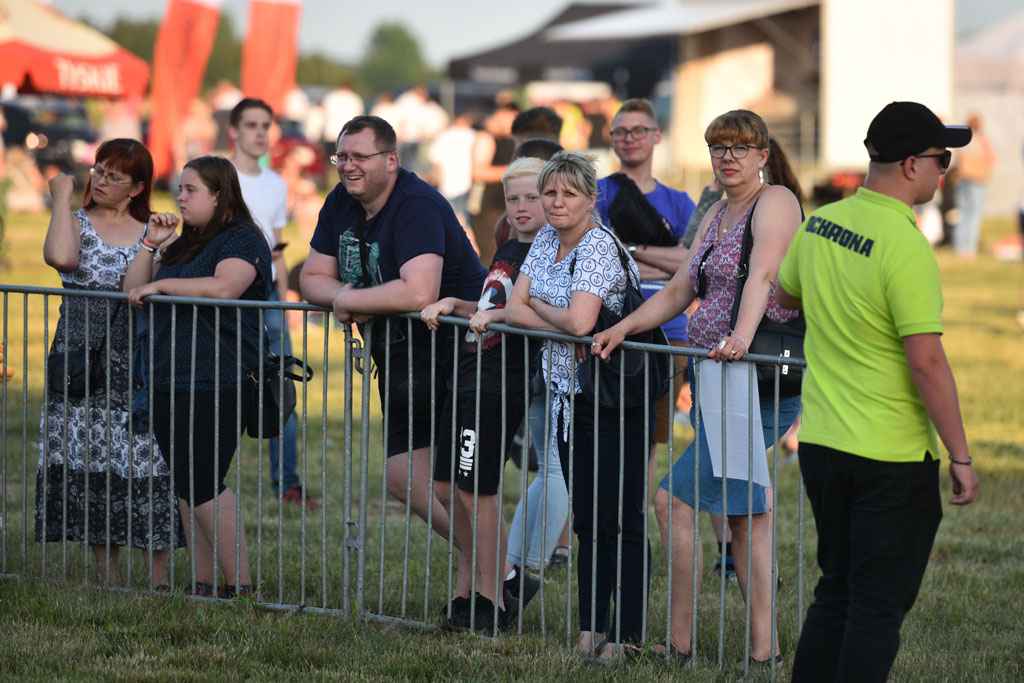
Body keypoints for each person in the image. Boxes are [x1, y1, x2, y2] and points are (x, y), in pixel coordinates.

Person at [592, 110, 804, 666]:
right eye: (718, 147)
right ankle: (764, 651)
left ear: (763, 155)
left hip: (754, 381)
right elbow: (682, 288)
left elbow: (763, 274)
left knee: (672, 500)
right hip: (716, 382)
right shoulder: (713, 213)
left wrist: (739, 336)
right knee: (744, 514)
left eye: (740, 147)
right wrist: (623, 325)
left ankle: (684, 646)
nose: (727, 156)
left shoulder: (775, 200)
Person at [777, 101, 979, 682]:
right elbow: (928, 364)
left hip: (821, 443)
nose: (946, 172)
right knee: (875, 607)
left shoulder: (820, 222)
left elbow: (788, 297)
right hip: (888, 457)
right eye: (943, 159)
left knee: (836, 591)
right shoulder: (905, 243)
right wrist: (960, 455)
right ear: (912, 164)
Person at [300, 115, 487, 555]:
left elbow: (418, 291)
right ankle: (500, 571)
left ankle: (492, 577)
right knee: (404, 477)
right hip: (404, 354)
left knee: (452, 484)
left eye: (359, 157)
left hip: (460, 350)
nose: (348, 166)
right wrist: (347, 294)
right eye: (341, 156)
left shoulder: (416, 204)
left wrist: (347, 302)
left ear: (391, 160)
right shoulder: (339, 202)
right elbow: (311, 277)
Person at [506, 150, 649, 658]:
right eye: (550, 192)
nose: (557, 202)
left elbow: (581, 324)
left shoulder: (597, 247)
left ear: (592, 198)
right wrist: (558, 316)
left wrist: (544, 311)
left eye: (569, 193)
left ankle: (628, 636)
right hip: (570, 398)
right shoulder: (545, 238)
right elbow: (513, 308)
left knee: (621, 517)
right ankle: (591, 630)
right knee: (587, 519)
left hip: (617, 398)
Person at [37, 138, 184, 589]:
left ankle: (158, 579)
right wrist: (62, 197)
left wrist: (158, 243)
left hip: (139, 359)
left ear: (137, 187)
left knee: (149, 461)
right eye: (98, 170)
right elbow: (61, 258)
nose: (99, 180)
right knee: (91, 460)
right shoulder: (75, 220)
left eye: (113, 176)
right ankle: (109, 577)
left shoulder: (156, 230)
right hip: (82, 361)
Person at [124, 156, 272, 598]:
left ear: (218, 195)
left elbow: (226, 287)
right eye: (180, 189)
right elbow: (131, 288)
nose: (180, 198)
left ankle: (241, 587)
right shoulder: (183, 241)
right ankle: (204, 584)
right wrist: (151, 245)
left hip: (220, 377)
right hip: (169, 375)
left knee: (203, 479)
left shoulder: (243, 238)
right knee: (186, 485)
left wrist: (163, 286)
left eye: (190, 190)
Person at [419, 156, 547, 632]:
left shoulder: (550, 250)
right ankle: (475, 586)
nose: (521, 206)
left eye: (532, 196)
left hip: (500, 381)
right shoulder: (511, 246)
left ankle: (491, 601)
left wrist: (498, 317)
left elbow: (529, 309)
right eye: (513, 198)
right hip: (468, 372)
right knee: (445, 490)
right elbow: (493, 302)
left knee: (478, 492)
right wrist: (457, 302)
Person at [594, 97, 696, 498]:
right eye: (620, 131)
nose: (629, 138)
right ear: (612, 139)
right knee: (604, 432)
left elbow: (690, 266)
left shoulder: (678, 201)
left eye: (638, 130)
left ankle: (633, 518)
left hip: (670, 335)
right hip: (608, 328)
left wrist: (630, 250)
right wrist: (665, 260)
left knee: (650, 438)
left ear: (656, 136)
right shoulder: (595, 193)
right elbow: (599, 258)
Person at [228, 98, 319, 510]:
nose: (260, 132)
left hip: (267, 294)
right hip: (225, 292)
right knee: (218, 389)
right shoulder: (216, 175)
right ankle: (205, 486)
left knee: (280, 391)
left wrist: (284, 300)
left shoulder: (276, 183)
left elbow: (279, 248)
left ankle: (289, 484)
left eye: (266, 124)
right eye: (251, 125)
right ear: (234, 130)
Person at [470, 103, 518, 265]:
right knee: (490, 254)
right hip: (485, 206)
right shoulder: (486, 138)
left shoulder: (509, 140)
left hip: (502, 206)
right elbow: (478, 172)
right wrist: (514, 170)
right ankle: (484, 289)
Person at [952, 113, 996, 260]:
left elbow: (959, 160)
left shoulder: (964, 140)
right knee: (974, 215)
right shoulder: (982, 141)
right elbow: (992, 158)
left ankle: (960, 249)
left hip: (964, 180)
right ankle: (969, 250)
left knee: (963, 213)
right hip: (978, 182)